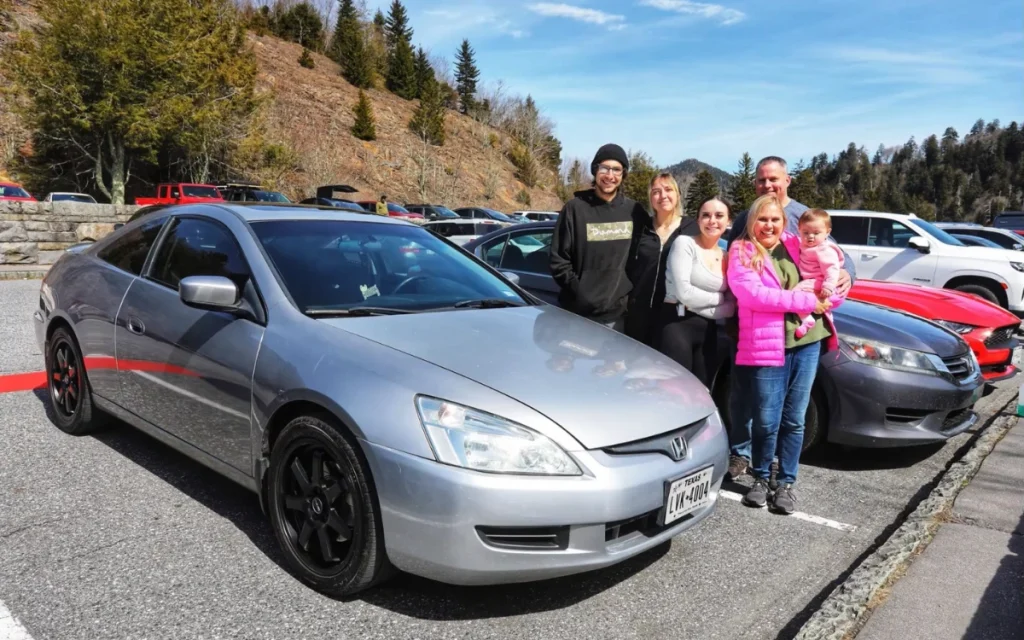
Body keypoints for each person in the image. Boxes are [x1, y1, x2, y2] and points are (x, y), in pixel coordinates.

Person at [725, 155, 856, 483]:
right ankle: (745, 458)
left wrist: (844, 279)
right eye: (761, 180)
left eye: (774, 179)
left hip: (800, 336)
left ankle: (783, 477)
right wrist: (808, 299)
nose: (768, 185)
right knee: (752, 403)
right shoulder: (745, 223)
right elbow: (743, 278)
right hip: (757, 332)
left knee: (789, 414)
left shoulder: (802, 222)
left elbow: (837, 258)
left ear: (787, 181)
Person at [550, 143, 648, 331]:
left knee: (614, 361)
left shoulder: (634, 211)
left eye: (617, 170)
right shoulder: (575, 209)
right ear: (595, 170)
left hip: (618, 316)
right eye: (605, 168)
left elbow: (646, 254)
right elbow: (558, 260)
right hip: (577, 314)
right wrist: (581, 293)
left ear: (623, 174)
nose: (610, 176)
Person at [658, 196, 735, 385]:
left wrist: (691, 304)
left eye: (719, 215)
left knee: (703, 391)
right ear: (698, 220)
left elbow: (732, 307)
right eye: (706, 215)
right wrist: (719, 298)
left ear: (728, 221)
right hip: (676, 325)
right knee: (676, 390)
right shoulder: (685, 244)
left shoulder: (728, 255)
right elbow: (684, 293)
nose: (712, 221)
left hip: (709, 331)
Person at [624, 173, 696, 345]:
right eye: (656, 191)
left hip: (674, 316)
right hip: (638, 315)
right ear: (651, 198)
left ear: (678, 195)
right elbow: (627, 264)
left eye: (668, 189)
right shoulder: (641, 227)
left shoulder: (692, 228)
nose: (663, 195)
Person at [794, 209, 844, 338]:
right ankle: (828, 318)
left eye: (816, 233)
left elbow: (832, 268)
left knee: (796, 294)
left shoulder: (824, 249)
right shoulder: (804, 244)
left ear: (827, 232)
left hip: (819, 280)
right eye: (806, 232)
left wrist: (828, 286)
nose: (810, 236)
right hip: (814, 280)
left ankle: (807, 320)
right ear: (799, 229)